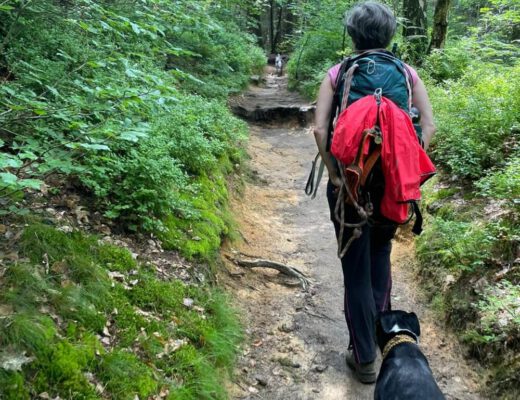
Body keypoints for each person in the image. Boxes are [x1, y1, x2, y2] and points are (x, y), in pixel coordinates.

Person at [312, 2, 435, 384]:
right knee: (381, 256)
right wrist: (405, 170)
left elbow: (320, 131)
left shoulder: (339, 72)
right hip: (392, 187)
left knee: (355, 268)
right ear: (390, 34)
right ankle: (383, 348)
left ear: (352, 33)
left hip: (350, 184)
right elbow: (428, 126)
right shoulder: (406, 72)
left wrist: (333, 175)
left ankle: (363, 356)